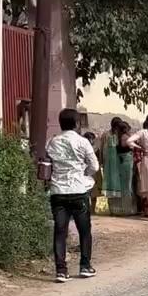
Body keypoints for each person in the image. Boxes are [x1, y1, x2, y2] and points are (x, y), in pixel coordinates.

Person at [45, 107, 99, 282]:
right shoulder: (83, 142)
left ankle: (61, 270)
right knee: (84, 230)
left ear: (61, 124)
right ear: (77, 124)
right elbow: (94, 167)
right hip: (78, 190)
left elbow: (47, 164)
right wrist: (84, 174)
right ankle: (85, 265)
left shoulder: (52, 142)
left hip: (58, 192)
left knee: (60, 231)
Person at [96, 118, 134, 214]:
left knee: (112, 187)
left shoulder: (107, 135)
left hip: (110, 166)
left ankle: (114, 209)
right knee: (122, 187)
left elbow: (101, 150)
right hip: (117, 165)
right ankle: (123, 210)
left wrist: (101, 162)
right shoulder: (118, 135)